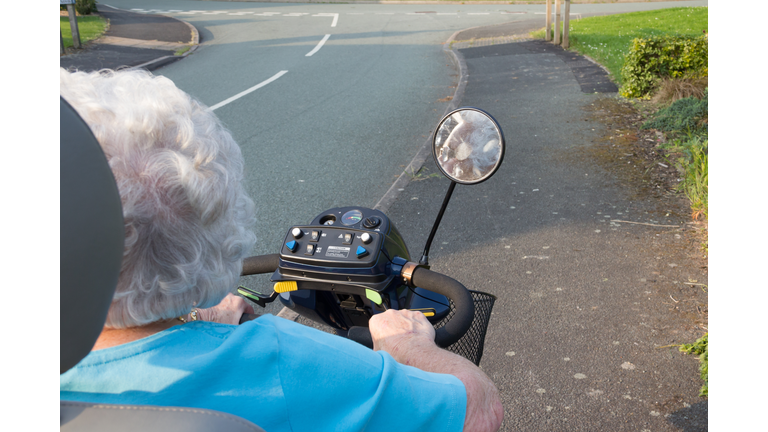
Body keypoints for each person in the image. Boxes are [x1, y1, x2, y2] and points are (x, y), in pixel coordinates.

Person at [59, 68, 503, 432]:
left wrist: (191, 317)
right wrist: (408, 347)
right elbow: (476, 413)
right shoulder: (279, 361)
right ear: (217, 227)